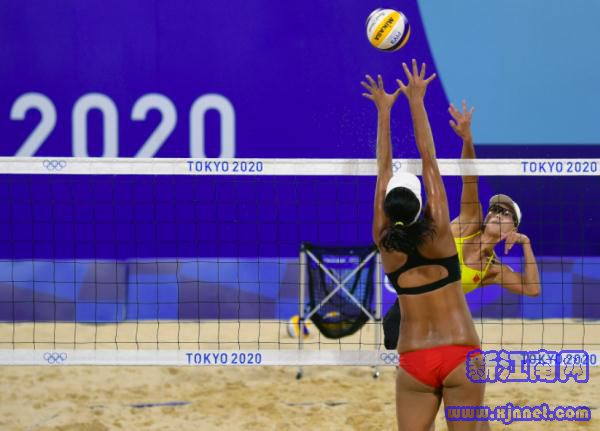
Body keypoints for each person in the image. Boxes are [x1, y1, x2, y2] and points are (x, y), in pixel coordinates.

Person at [362, 60, 484, 431]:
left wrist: (384, 112)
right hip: (461, 353)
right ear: (421, 206)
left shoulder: (384, 242)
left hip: (415, 358)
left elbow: (383, 170)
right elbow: (428, 158)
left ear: (388, 210)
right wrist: (416, 101)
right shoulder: (440, 233)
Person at [383, 102, 541, 351]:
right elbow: (470, 177)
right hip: (408, 307)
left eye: (505, 213)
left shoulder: (492, 270)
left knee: (448, 364)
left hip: (441, 322)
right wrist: (467, 140)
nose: (497, 214)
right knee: (396, 348)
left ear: (513, 228)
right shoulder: (469, 222)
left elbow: (532, 289)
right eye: (495, 209)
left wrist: (527, 243)